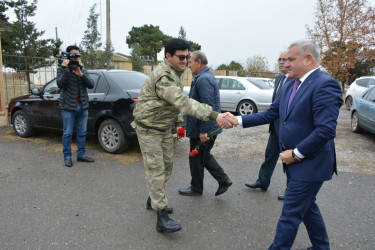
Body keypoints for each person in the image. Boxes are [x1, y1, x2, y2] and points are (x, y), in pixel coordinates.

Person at [223, 40, 343, 249]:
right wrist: (237, 120)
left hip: (310, 163)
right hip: (294, 163)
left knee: (290, 215)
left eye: (290, 59)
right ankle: (321, 246)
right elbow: (272, 114)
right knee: (307, 208)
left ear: (308, 59)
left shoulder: (325, 84)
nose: (285, 64)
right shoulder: (290, 83)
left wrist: (296, 154)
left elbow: (325, 130)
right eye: (284, 59)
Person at [132, 38, 232, 234]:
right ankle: (161, 217)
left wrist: (178, 125)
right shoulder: (164, 76)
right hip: (148, 128)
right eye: (181, 56)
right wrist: (215, 116)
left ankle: (153, 200)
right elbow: (181, 101)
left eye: (187, 56)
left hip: (162, 128)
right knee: (156, 168)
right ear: (168, 55)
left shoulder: (176, 72)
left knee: (167, 165)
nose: (185, 60)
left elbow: (170, 104)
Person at [178, 51, 232, 197]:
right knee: (203, 156)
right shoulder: (203, 77)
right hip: (203, 127)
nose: (188, 65)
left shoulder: (203, 79)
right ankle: (223, 180)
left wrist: (204, 131)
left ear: (199, 63)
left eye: (190, 62)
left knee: (196, 157)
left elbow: (207, 106)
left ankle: (197, 188)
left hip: (202, 129)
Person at [245, 51, 293, 200]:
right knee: (269, 154)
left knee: (289, 159)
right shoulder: (279, 78)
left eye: (284, 60)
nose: (281, 62)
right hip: (275, 125)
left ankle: (290, 190)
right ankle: (263, 181)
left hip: (287, 128)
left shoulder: (295, 80)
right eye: (279, 59)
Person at [57, 45, 95, 167]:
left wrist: (81, 75)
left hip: (83, 107)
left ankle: (81, 155)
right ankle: (67, 157)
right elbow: (60, 84)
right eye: (74, 55)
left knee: (82, 132)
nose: (76, 57)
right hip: (68, 107)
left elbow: (91, 85)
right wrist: (66, 69)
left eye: (78, 55)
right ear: (68, 56)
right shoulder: (62, 69)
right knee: (67, 133)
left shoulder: (82, 69)